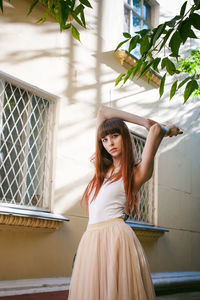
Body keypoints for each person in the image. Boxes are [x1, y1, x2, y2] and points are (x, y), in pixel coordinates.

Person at [68, 105, 183, 300]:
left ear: (125, 137)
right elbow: (103, 112)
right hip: (91, 240)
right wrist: (143, 121)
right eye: (104, 139)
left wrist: (160, 128)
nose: (109, 143)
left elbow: (155, 130)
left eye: (115, 136)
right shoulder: (102, 170)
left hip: (116, 239)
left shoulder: (137, 172)